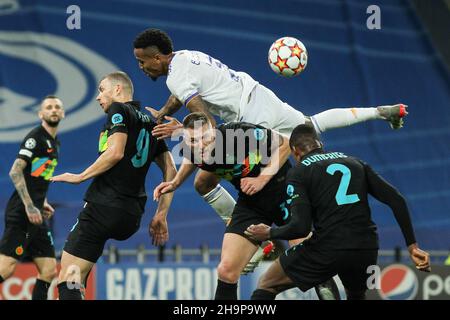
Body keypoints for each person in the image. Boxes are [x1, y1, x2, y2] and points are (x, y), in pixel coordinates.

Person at [133, 28, 408, 271]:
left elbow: (208, 123)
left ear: (158, 58)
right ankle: (381, 112)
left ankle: (257, 238)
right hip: (257, 92)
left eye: (142, 62)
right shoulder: (183, 57)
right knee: (309, 125)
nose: (142, 67)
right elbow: (181, 92)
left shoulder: (176, 77)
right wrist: (164, 114)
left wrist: (182, 131)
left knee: (207, 181)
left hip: (249, 118)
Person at [153, 112, 340, 300]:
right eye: (193, 140)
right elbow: (194, 159)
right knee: (226, 271)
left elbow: (284, 143)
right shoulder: (189, 148)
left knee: (312, 263)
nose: (200, 145)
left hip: (284, 193)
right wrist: (176, 182)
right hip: (251, 204)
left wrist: (262, 178)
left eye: (205, 138)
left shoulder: (237, 134)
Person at [245, 124, 431, 300]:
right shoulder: (356, 163)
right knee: (357, 295)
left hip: (327, 247)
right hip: (366, 248)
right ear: (320, 144)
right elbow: (396, 200)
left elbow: (300, 228)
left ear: (294, 151)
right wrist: (412, 246)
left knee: (267, 283)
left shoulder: (299, 172)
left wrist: (269, 232)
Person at [51, 71, 177, 300]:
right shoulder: (150, 122)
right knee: (78, 281)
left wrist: (80, 176)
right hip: (131, 215)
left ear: (118, 89)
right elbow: (172, 171)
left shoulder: (118, 110)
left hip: (103, 206)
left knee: (68, 278)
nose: (98, 97)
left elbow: (116, 152)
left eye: (101, 90)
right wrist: (162, 214)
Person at [0, 95, 64, 300]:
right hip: (21, 213)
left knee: (48, 269)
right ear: (40, 114)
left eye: (57, 107)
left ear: (62, 113)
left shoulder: (55, 142)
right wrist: (29, 206)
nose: (53, 110)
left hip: (36, 215)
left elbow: (36, 176)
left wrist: (41, 202)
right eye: (49, 107)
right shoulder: (35, 137)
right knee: (6, 268)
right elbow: (15, 172)